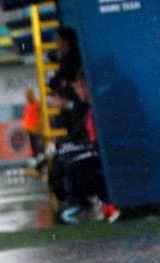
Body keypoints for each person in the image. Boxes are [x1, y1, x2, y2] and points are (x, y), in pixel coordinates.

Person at [48, 71, 120, 224]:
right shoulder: (87, 107)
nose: (78, 90)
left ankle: (94, 201)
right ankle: (80, 201)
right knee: (64, 159)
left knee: (74, 164)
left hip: (103, 150)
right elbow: (78, 131)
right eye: (77, 87)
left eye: (81, 86)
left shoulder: (98, 105)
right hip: (95, 148)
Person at [19, 88, 44, 165]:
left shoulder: (37, 104)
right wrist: (24, 126)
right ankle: (36, 162)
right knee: (34, 146)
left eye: (28, 95)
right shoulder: (27, 105)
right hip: (30, 129)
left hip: (36, 129)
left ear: (32, 95)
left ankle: (41, 163)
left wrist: (39, 125)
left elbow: (40, 115)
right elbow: (25, 117)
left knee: (38, 146)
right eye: (26, 96)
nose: (27, 97)